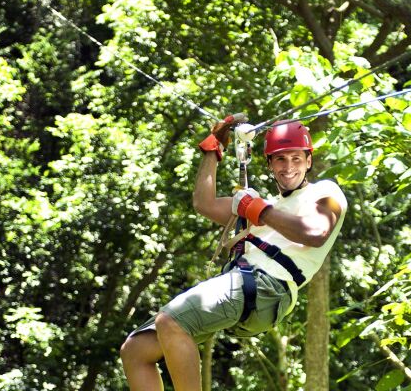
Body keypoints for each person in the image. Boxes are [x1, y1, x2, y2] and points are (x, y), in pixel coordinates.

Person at [120, 114, 347, 390]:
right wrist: (214, 147)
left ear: (308, 161)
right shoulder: (262, 205)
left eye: (296, 159)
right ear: (270, 164)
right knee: (135, 350)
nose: (289, 167)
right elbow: (204, 202)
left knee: (170, 321)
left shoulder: (325, 192)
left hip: (267, 287)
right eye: (280, 159)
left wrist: (258, 209)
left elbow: (314, 233)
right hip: (245, 283)